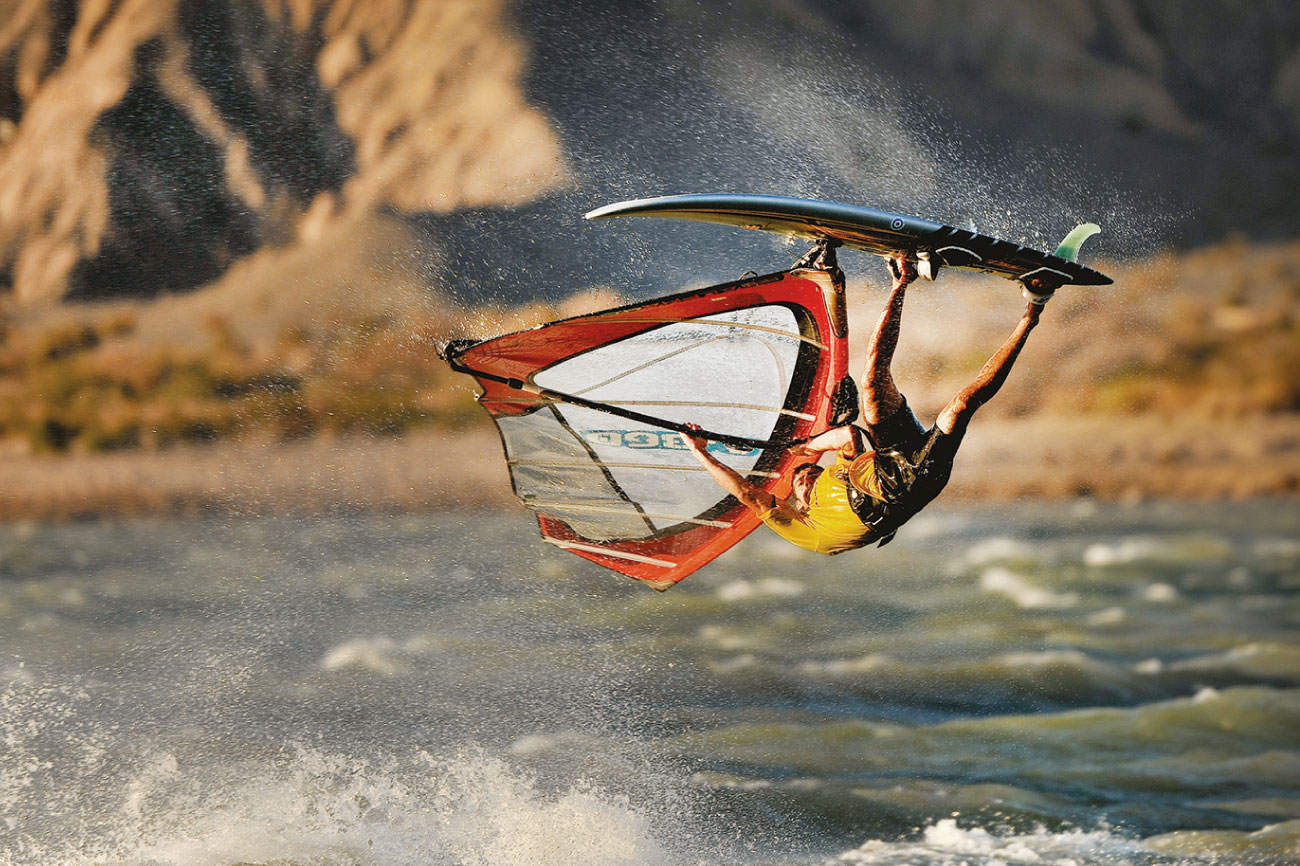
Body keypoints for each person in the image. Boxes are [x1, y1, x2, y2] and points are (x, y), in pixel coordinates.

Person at [684, 253, 1048, 553]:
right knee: (960, 406)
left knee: (872, 381)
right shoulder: (808, 528)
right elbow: (749, 493)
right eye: (804, 477)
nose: (807, 473)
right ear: (796, 506)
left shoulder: (838, 474)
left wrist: (805, 448)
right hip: (911, 484)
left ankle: (902, 278)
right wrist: (701, 452)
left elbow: (847, 439)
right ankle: (1033, 310)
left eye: (806, 473)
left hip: (885, 463)